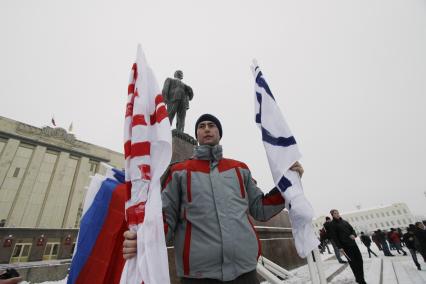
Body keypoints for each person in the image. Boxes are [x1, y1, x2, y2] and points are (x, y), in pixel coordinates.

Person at [122, 113, 304, 283]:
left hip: (245, 271)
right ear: (197, 135)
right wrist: (143, 238)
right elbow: (166, 219)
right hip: (198, 276)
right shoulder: (179, 172)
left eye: (211, 125)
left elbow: (260, 208)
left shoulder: (239, 169)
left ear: (219, 133)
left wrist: (288, 184)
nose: (207, 129)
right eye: (201, 126)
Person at [328, 209, 366, 284]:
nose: (337, 214)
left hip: (353, 244)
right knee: (353, 263)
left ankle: (360, 278)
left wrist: (354, 235)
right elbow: (334, 237)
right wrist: (340, 247)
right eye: (335, 213)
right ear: (332, 215)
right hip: (345, 246)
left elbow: (352, 230)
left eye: (338, 213)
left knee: (360, 261)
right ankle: (361, 280)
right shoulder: (332, 225)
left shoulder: (344, 222)